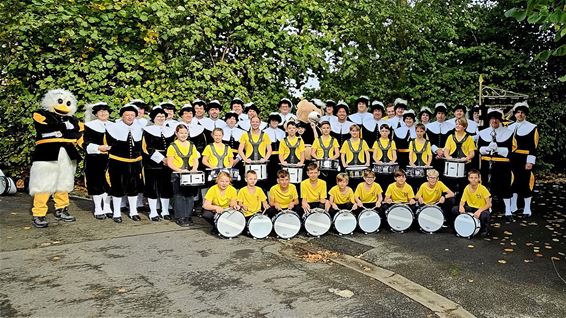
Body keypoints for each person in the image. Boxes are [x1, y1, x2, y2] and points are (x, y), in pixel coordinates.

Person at [29, 89, 82, 228]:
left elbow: (79, 133)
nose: (64, 105)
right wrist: (66, 129)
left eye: (67, 102)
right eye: (60, 101)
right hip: (46, 153)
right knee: (43, 184)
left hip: (67, 154)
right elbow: (44, 128)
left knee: (64, 183)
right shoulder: (41, 114)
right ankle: (39, 213)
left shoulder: (73, 119)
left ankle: (62, 209)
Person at [106, 104, 144, 223]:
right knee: (117, 187)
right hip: (118, 162)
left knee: (133, 188)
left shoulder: (140, 128)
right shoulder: (113, 128)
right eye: (127, 115)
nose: (129, 117)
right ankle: (116, 213)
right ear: (122, 116)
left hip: (134, 163)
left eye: (132, 115)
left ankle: (133, 211)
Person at [477, 108, 515, 221]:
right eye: (492, 119)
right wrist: (487, 148)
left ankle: (508, 211)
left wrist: (498, 149)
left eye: (497, 119)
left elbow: (511, 150)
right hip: (486, 164)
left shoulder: (508, 133)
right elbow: (479, 148)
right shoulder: (483, 133)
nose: (494, 121)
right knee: (487, 186)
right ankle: (488, 208)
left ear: (500, 120)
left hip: (502, 165)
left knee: (505, 186)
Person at [81, 102, 113, 220]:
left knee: (109, 183)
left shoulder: (113, 125)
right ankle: (98, 208)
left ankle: (107, 207)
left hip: (110, 158)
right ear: (96, 114)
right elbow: (85, 143)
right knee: (96, 183)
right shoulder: (89, 126)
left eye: (105, 111)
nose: (103, 113)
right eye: (100, 111)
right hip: (95, 158)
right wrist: (99, 148)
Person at [142, 106, 175, 221]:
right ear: (153, 118)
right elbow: (147, 148)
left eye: (163, 116)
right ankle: (153, 212)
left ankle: (165, 211)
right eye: (158, 116)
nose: (161, 118)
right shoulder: (147, 131)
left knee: (166, 187)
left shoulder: (170, 130)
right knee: (153, 187)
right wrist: (162, 159)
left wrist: (169, 159)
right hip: (152, 164)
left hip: (168, 163)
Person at [507, 102, 538, 217]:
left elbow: (534, 146)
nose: (520, 115)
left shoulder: (532, 127)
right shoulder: (509, 127)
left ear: (525, 114)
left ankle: (527, 208)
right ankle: (513, 206)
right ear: (514, 114)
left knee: (526, 182)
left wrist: (530, 161)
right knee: (513, 181)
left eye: (522, 113)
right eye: (518, 112)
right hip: (512, 159)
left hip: (525, 158)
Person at [166, 124, 201, 226]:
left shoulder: (192, 145)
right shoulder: (172, 146)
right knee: (179, 196)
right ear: (176, 133)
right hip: (177, 174)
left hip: (190, 174)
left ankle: (188, 216)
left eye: (185, 133)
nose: (183, 135)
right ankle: (180, 217)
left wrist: (194, 169)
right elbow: (170, 162)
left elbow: (195, 159)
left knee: (189, 195)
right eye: (181, 133)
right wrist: (179, 170)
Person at [451, 169, 491, 236]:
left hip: (480, 208)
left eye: (476, 178)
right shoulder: (467, 188)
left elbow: (489, 204)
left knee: (485, 215)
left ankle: (484, 229)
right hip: (470, 208)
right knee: (455, 209)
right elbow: (462, 201)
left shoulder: (483, 188)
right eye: (471, 178)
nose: (473, 179)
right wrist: (461, 206)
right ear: (468, 178)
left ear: (479, 178)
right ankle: (458, 226)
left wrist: (479, 211)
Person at [426, 103, 454, 175]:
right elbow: (428, 141)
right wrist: (436, 150)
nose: (440, 115)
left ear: (445, 115)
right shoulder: (429, 127)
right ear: (436, 114)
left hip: (447, 154)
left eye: (442, 113)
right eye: (439, 113)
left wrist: (443, 151)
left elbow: (451, 141)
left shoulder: (451, 127)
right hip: (433, 155)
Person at [372, 124, 397, 191]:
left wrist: (392, 162)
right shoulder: (376, 142)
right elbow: (374, 156)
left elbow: (394, 156)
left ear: (389, 132)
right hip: (379, 165)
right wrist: (377, 162)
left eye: (386, 131)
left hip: (389, 166)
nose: (384, 132)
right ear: (380, 132)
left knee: (390, 182)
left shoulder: (392, 142)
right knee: (380, 182)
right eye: (382, 131)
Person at [407, 123, 432, 189]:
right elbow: (410, 154)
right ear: (415, 132)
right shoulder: (412, 142)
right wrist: (411, 163)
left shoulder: (427, 143)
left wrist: (428, 164)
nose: (419, 133)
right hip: (414, 165)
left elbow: (430, 155)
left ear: (424, 132)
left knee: (423, 183)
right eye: (417, 131)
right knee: (413, 183)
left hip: (424, 165)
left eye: (421, 131)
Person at [264, 112, 286, 187]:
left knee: (280, 174)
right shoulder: (265, 132)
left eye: (276, 121)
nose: (274, 122)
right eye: (273, 120)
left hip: (280, 157)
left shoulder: (282, 132)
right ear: (270, 121)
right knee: (270, 174)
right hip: (269, 157)